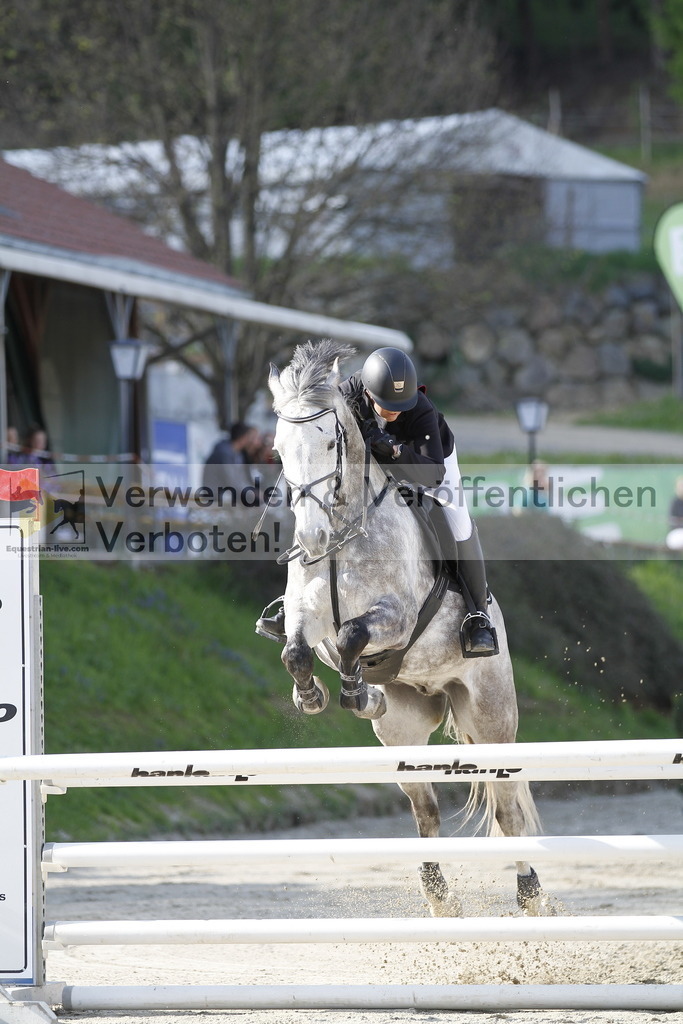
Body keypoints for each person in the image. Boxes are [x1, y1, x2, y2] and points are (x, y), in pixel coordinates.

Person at [256, 346, 497, 656]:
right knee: (317, 508)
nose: (395, 412)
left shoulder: (420, 410)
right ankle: (292, 602)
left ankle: (478, 614)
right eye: (386, 405)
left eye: (401, 406)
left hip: (426, 464)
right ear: (367, 392)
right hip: (369, 468)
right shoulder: (345, 395)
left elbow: (433, 474)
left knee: (458, 519)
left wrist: (396, 451)